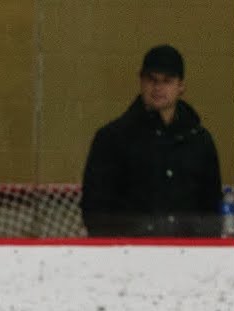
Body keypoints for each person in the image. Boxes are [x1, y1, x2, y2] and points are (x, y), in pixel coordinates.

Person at [81, 44, 223, 237]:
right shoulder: (112, 138)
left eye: (167, 81)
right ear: (141, 81)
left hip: (189, 258)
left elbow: (211, 207)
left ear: (181, 86)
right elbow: (95, 208)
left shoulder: (200, 141)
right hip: (127, 256)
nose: (158, 87)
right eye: (151, 79)